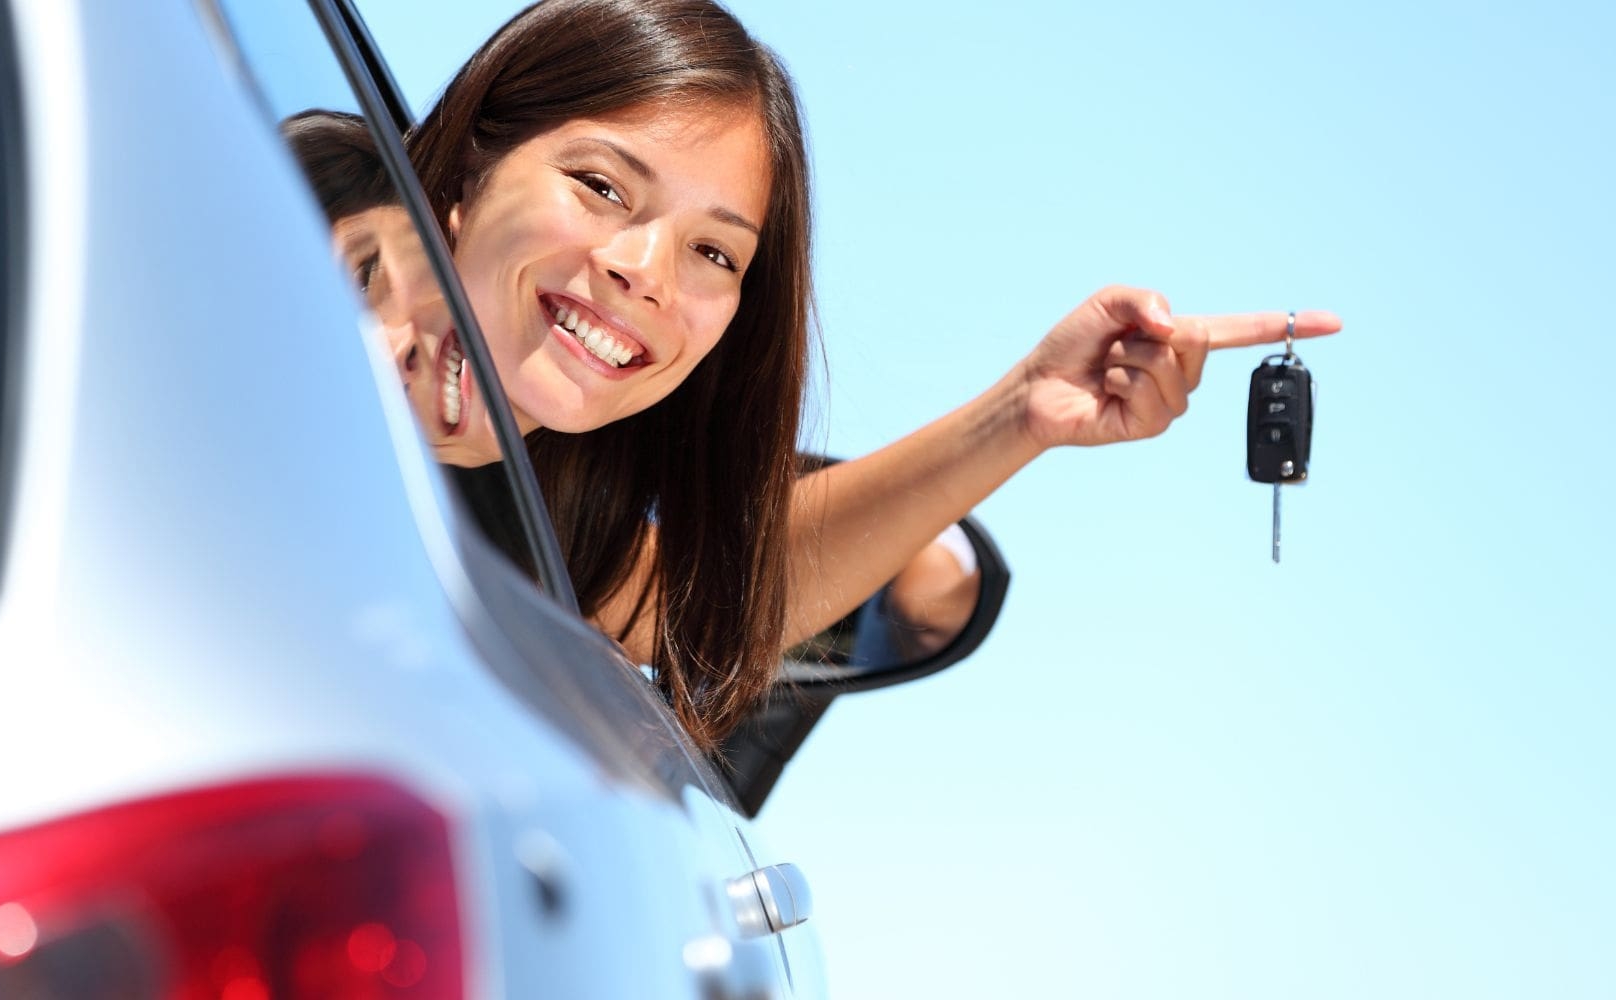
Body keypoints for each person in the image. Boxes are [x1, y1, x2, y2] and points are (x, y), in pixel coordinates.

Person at [291, 2, 1342, 747]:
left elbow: (715, 596)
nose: (643, 272)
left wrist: (1023, 413)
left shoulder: (538, 522)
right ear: (470, 170)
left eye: (715, 252)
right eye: (603, 185)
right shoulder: (297, 209)